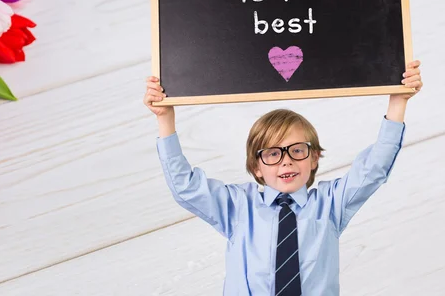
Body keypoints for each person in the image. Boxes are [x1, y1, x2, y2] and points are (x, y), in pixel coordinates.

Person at [143, 60, 423, 296]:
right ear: (256, 167)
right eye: (273, 153)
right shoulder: (237, 207)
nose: (286, 160)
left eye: (297, 150)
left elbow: (373, 169)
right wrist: (165, 119)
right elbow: (185, 187)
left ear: (314, 159)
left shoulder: (329, 206)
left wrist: (398, 102)